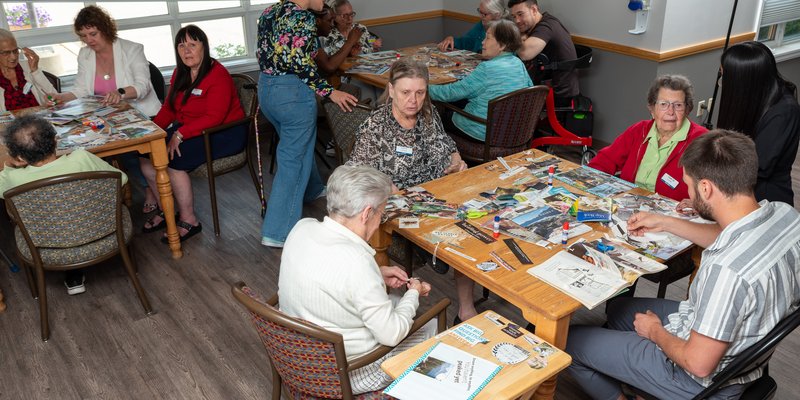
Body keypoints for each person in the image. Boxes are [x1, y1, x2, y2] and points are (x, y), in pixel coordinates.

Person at [566, 130, 800, 400]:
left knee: (568, 342)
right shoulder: (785, 215)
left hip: (702, 381)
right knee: (619, 310)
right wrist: (665, 222)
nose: (687, 191)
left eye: (688, 184)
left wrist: (655, 332)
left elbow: (698, 364)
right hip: (736, 346)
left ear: (705, 188)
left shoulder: (727, 271)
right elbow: (726, 235)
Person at [278, 165, 436, 394]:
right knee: (433, 325)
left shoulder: (302, 228)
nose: (379, 221)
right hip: (346, 372)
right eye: (380, 214)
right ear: (366, 213)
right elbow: (391, 335)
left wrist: (376, 272)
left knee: (392, 302)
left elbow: (323, 272)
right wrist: (414, 293)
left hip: (297, 357)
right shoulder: (357, 262)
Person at [257, 0, 358, 248]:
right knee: (292, 159)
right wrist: (329, 92)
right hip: (292, 94)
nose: (324, 2)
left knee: (298, 145)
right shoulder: (303, 19)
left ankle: (312, 188)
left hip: (267, 91)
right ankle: (277, 232)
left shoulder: (270, 11)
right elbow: (302, 65)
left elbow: (267, 53)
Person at [49, 5, 162, 214]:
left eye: (93, 33)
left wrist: (120, 92)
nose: (89, 40)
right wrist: (61, 97)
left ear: (105, 28)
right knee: (103, 150)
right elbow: (81, 89)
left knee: (129, 151)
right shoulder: (85, 54)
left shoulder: (132, 49)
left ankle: (148, 191)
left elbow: (143, 86)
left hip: (143, 114)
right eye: (84, 36)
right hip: (109, 118)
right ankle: (130, 194)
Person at [138, 25, 246, 243]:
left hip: (223, 132)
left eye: (192, 45)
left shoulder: (218, 75)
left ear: (203, 47)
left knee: (175, 160)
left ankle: (189, 220)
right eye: (181, 45)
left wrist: (179, 134)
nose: (187, 50)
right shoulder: (180, 73)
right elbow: (169, 108)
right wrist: (153, 132)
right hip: (190, 130)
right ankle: (167, 210)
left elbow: (214, 117)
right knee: (145, 155)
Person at [0, 115, 128, 296]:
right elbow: (121, 180)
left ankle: (70, 276)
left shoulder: (13, 178)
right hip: (101, 230)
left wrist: (9, 165)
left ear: (19, 157)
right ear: (55, 140)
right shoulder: (81, 158)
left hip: (48, 244)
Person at [346, 58, 467, 189]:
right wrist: (386, 188)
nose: (413, 100)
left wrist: (456, 161)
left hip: (443, 188)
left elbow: (447, 143)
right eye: (405, 92)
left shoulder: (429, 111)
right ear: (391, 90)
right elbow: (359, 177)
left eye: (420, 93)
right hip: (402, 201)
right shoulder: (374, 126)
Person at [588, 75, 707, 201]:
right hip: (626, 205)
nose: (670, 111)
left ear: (687, 109)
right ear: (652, 109)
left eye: (678, 105)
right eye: (663, 104)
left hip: (672, 216)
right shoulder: (639, 130)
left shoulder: (702, 141)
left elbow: (717, 190)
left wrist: (697, 205)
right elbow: (604, 161)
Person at [716, 41, 800, 206]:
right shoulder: (752, 97)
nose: (722, 81)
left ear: (742, 80)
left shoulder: (784, 112)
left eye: (725, 76)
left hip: (764, 199)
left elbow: (758, 167)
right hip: (738, 188)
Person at [430, 19, 532, 142]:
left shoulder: (487, 68)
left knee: (438, 116)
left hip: (483, 131)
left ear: (502, 45)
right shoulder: (519, 63)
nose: (483, 43)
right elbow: (529, 92)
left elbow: (450, 93)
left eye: (488, 38)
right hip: (512, 131)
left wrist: (422, 89)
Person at [508, 0, 579, 106]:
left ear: (534, 10)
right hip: (546, 89)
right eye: (514, 16)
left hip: (558, 96)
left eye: (520, 14)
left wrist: (519, 37)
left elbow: (525, 53)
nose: (517, 20)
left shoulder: (546, 26)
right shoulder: (540, 24)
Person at [0, 29, 56, 112]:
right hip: (10, 125)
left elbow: (55, 97)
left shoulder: (28, 66)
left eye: (15, 51)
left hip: (40, 121)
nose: (14, 57)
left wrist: (35, 71)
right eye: (6, 53)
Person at [437, 0, 508, 53]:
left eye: (485, 14)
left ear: (497, 15)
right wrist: (452, 40)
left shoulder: (506, 30)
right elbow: (466, 42)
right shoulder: (482, 24)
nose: (481, 16)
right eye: (480, 12)